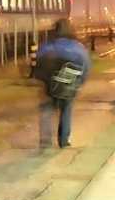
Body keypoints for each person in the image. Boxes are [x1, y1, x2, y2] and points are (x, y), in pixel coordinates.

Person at [31, 18, 91, 148]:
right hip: (69, 85)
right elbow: (86, 67)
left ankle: (45, 141)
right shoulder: (79, 48)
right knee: (67, 108)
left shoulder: (48, 46)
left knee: (47, 108)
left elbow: (37, 63)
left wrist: (42, 80)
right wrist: (79, 83)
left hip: (51, 85)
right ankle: (64, 140)